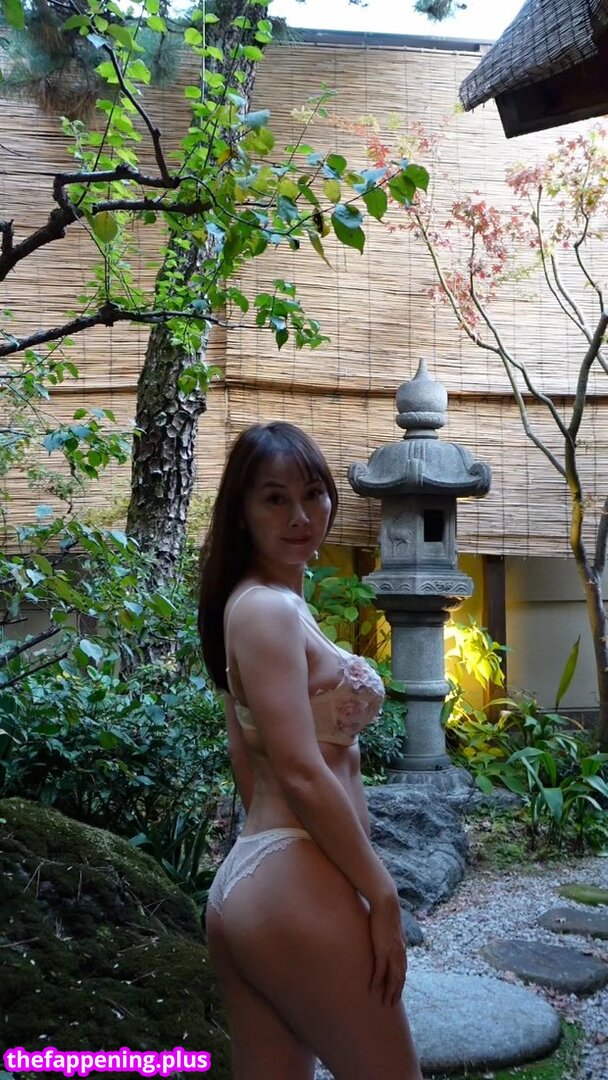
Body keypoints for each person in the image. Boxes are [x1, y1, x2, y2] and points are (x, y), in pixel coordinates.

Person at [198, 421, 421, 1080]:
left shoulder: (260, 604)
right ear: (241, 512)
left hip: (259, 882)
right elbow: (297, 768)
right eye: (274, 499)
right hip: (295, 881)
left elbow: (245, 755)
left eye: (313, 493)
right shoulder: (266, 611)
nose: (299, 515)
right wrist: (380, 893)